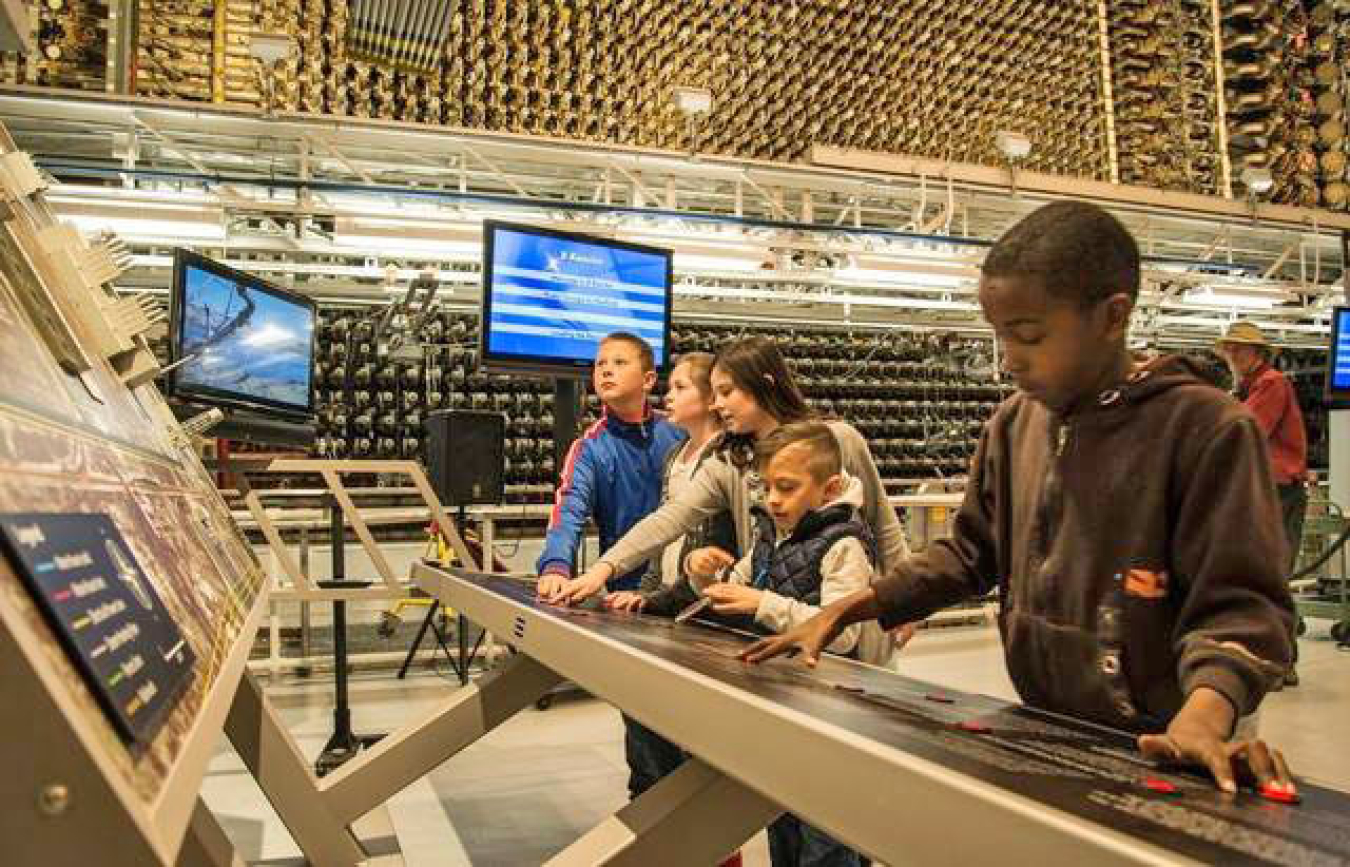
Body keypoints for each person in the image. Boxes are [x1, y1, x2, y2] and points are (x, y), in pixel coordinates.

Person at [742, 200, 1298, 799]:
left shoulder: (1206, 429)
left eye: (1029, 335)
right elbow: (968, 554)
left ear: (1113, 317)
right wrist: (844, 610)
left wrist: (1206, 713)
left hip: (1178, 741)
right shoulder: (1014, 425)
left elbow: (1242, 607)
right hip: (1053, 728)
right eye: (999, 334)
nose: (1008, 358)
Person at [544, 337, 911, 662]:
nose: (716, 405)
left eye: (727, 392)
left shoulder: (837, 440)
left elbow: (883, 524)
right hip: (774, 626)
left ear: (765, 384)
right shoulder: (728, 459)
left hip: (847, 626)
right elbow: (670, 518)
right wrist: (603, 570)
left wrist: (909, 602)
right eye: (714, 394)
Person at [692, 422, 878, 865]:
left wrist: (762, 604)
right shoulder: (771, 533)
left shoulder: (845, 543)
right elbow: (736, 587)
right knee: (783, 827)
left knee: (825, 841)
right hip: (780, 707)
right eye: (767, 486)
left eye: (787, 488)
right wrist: (703, 575)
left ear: (829, 488)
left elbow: (844, 632)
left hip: (829, 715)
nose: (772, 498)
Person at [534, 333, 685, 595]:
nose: (606, 370)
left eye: (619, 363)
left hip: (688, 587)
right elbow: (569, 510)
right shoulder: (589, 448)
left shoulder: (680, 432)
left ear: (648, 380)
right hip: (627, 592)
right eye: (600, 364)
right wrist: (556, 565)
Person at [1217, 321, 1308, 686]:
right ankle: (1278, 662)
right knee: (1265, 577)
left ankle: (1283, 662)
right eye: (1229, 349)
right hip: (1266, 489)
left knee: (1273, 578)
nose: (1232, 355)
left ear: (1258, 354)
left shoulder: (1272, 383)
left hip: (1279, 491)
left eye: (1239, 349)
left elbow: (1247, 429)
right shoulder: (1247, 387)